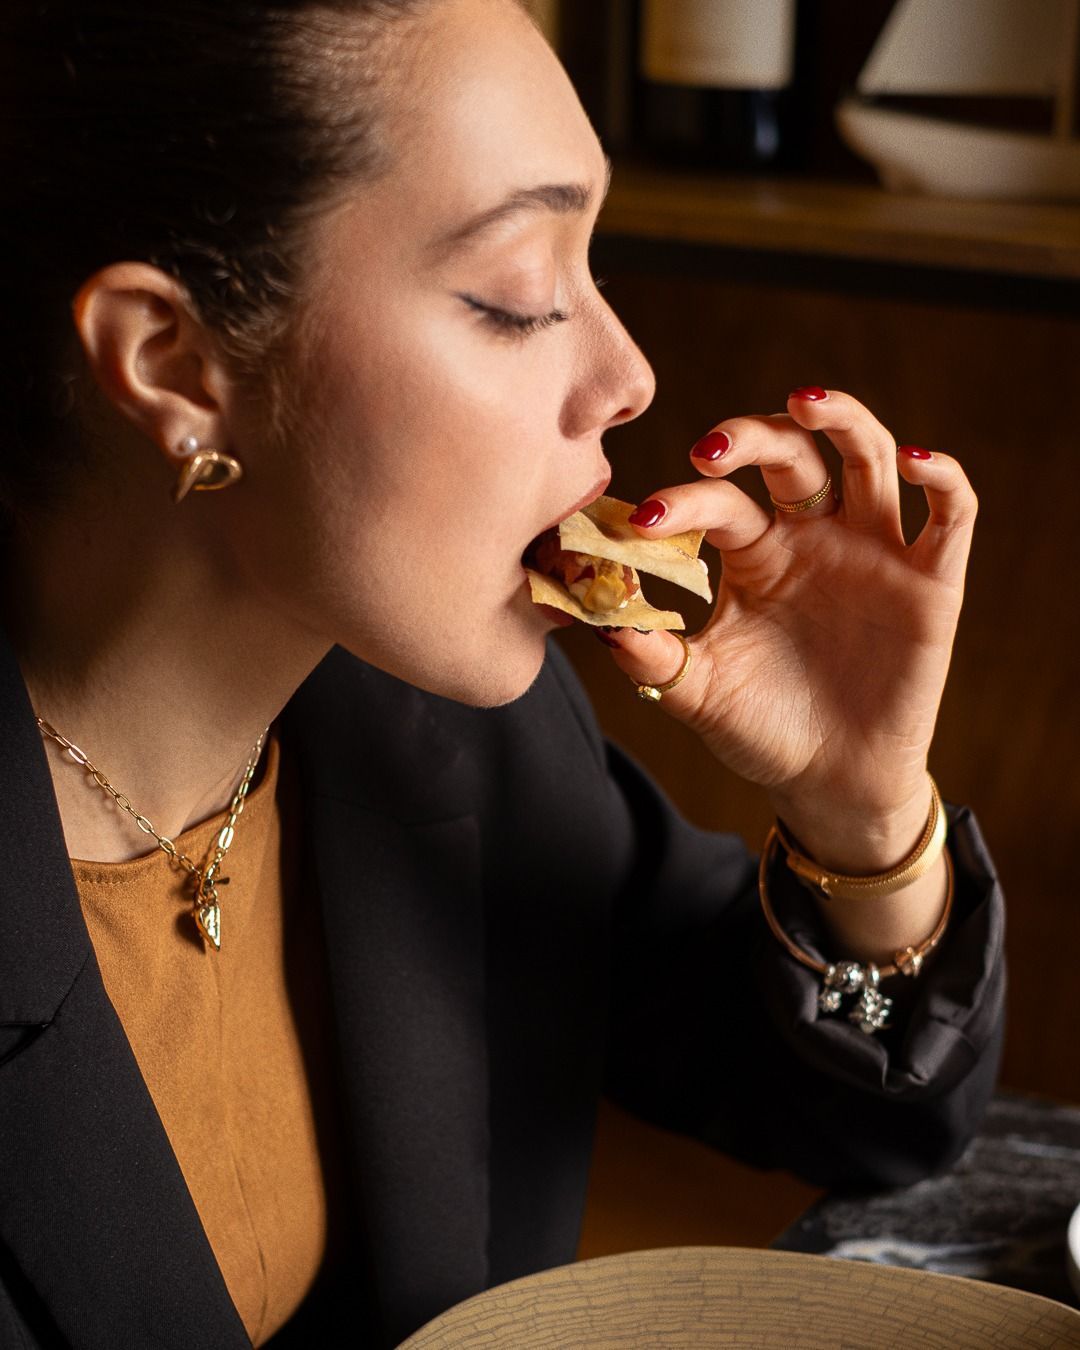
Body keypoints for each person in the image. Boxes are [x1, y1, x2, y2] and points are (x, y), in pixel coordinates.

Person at [0, 0, 1003, 1346]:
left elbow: (869, 1108)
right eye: (522, 296)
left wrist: (862, 815)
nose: (631, 373)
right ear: (171, 360)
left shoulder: (451, 735)